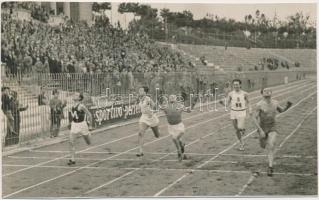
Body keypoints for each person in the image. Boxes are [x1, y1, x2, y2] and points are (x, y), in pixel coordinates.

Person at [253, 88, 292, 176]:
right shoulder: (259, 105)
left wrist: (287, 106)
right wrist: (260, 130)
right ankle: (263, 140)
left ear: (271, 93)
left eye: (269, 91)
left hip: (272, 127)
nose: (267, 92)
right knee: (263, 146)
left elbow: (281, 110)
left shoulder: (275, 102)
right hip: (262, 127)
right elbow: (254, 118)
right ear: (262, 94)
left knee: (271, 145)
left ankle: (270, 167)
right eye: (265, 91)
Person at [160, 94, 191, 161]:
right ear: (168, 99)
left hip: (179, 126)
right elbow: (158, 109)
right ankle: (182, 148)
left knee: (174, 139)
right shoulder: (166, 106)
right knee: (178, 141)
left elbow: (188, 111)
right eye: (170, 97)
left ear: (176, 99)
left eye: (173, 97)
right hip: (171, 127)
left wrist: (188, 109)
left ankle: (179, 152)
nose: (172, 98)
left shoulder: (180, 105)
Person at [68, 93, 93, 165]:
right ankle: (72, 159)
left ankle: (88, 134)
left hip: (82, 125)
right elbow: (73, 116)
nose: (74, 96)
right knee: (71, 142)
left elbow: (89, 115)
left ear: (79, 98)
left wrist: (90, 125)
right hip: (74, 124)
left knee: (88, 142)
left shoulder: (81, 106)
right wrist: (70, 123)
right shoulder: (72, 106)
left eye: (76, 95)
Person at [226, 79, 251, 151]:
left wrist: (250, 109)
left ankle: (242, 128)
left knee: (240, 127)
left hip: (242, 112)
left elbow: (249, 102)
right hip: (233, 112)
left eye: (237, 84)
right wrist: (222, 103)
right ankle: (241, 143)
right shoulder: (230, 94)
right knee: (236, 130)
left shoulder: (245, 93)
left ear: (240, 85)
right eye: (234, 85)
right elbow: (227, 103)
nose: (235, 86)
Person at [136, 86, 160, 157]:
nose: (139, 91)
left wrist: (153, 110)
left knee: (157, 135)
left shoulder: (148, 99)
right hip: (144, 117)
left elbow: (154, 106)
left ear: (145, 92)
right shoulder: (139, 99)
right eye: (139, 90)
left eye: (141, 90)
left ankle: (158, 130)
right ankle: (140, 151)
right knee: (140, 133)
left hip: (152, 118)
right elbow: (138, 108)